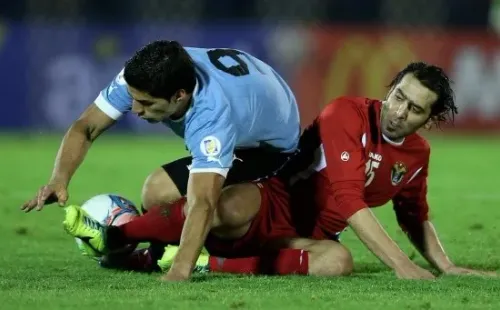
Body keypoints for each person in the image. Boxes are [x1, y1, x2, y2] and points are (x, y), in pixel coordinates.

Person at [89, 62, 497, 279]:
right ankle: (116, 237)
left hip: (306, 237)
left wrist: (444, 265)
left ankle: (203, 264)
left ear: (429, 119)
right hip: (271, 199)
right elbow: (348, 197)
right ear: (389, 90)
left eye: (414, 109)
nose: (399, 112)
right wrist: (402, 266)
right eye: (397, 97)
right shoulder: (347, 113)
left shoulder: (417, 155)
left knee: (337, 263)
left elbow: (414, 215)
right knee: (226, 208)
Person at [21, 40, 301, 281]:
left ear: (180, 96)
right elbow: (87, 126)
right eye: (134, 99)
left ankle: (160, 256)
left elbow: (203, 201)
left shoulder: (211, 115)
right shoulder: (145, 75)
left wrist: (180, 270)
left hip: (270, 147)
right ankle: (163, 248)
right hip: (254, 104)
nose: (135, 109)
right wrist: (59, 179)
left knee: (169, 195)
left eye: (147, 104)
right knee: (159, 192)